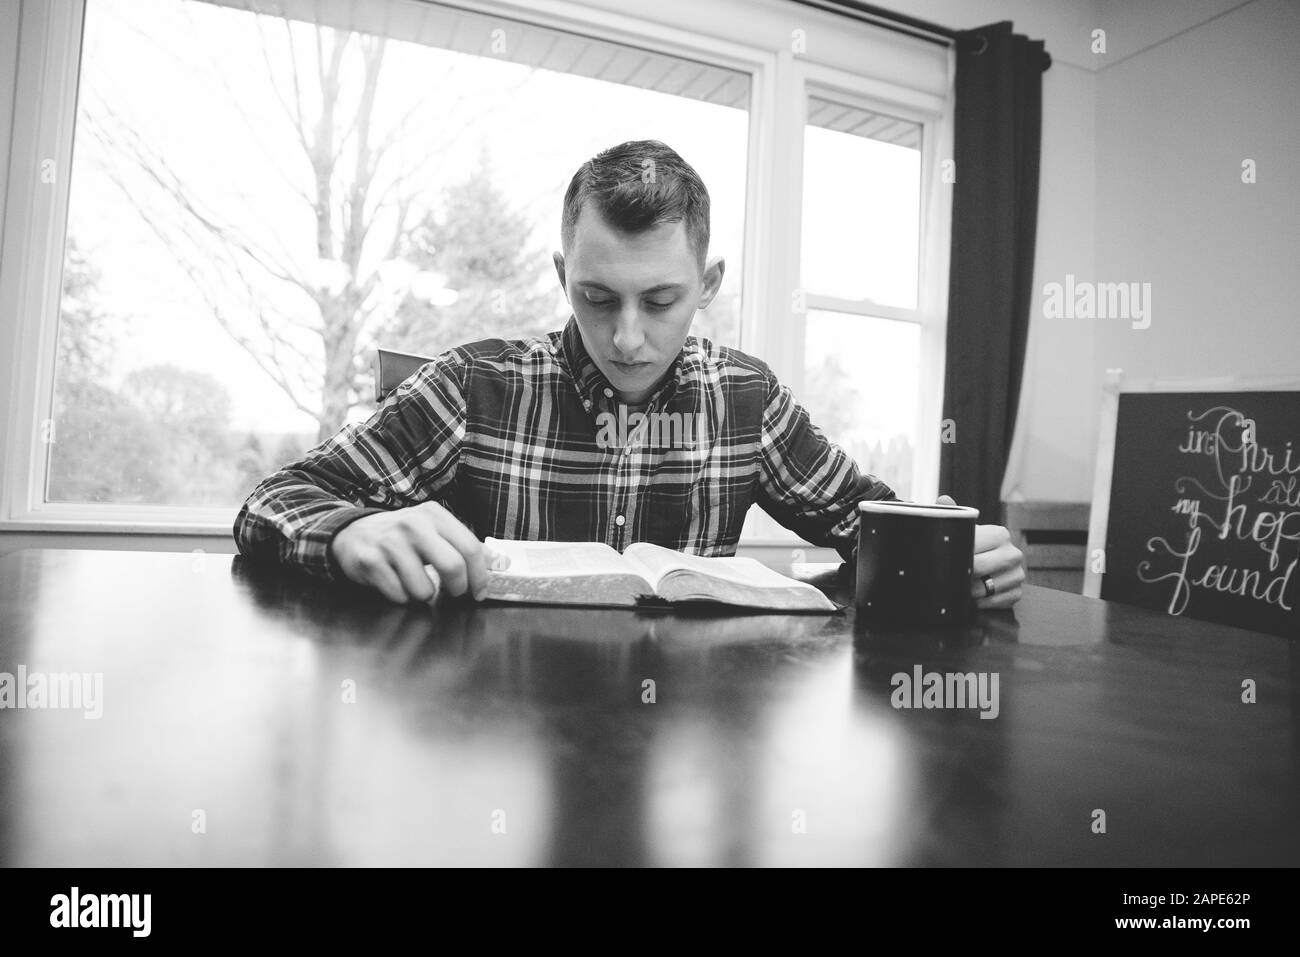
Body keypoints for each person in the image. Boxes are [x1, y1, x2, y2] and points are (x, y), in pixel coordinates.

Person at [234, 140, 1024, 608]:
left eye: (662, 299)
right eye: (597, 296)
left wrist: (956, 553)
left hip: (687, 723)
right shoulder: (473, 385)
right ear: (561, 273)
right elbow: (272, 501)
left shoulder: (748, 400)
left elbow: (870, 523)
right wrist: (348, 531)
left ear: (707, 285)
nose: (628, 337)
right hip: (497, 714)